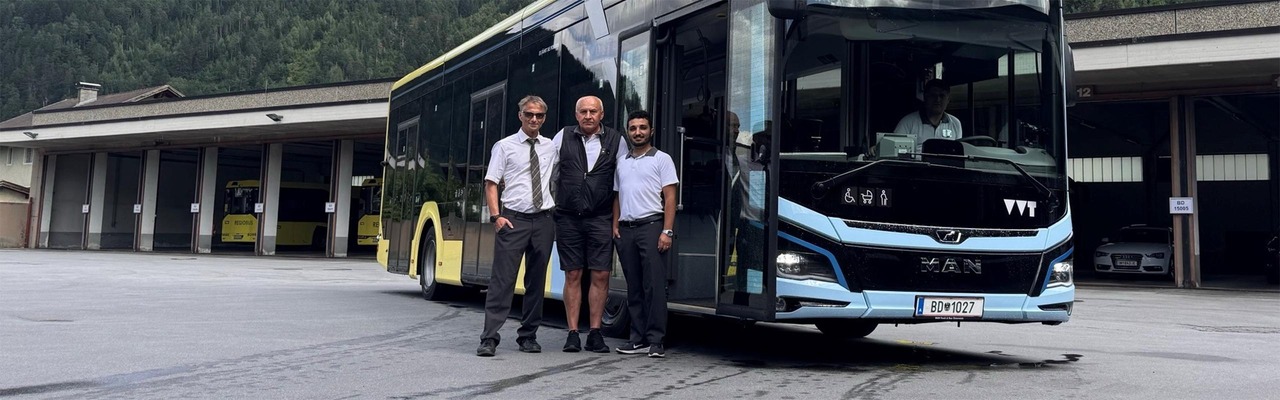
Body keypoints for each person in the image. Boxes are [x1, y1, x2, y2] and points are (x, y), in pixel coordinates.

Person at [475, 95, 557, 357]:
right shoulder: (504, 146)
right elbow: (491, 183)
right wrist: (496, 216)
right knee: (502, 280)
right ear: (520, 115)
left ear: (544, 118)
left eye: (540, 115)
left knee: (536, 281)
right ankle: (489, 338)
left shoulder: (550, 147)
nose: (534, 119)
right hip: (513, 219)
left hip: (543, 219)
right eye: (529, 114)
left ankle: (528, 336)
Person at [552, 95, 627, 353]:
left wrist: (616, 221)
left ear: (602, 114)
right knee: (572, 274)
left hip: (600, 218)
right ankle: (573, 332)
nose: (588, 116)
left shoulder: (617, 140)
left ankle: (595, 332)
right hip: (568, 218)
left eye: (592, 111)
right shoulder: (562, 137)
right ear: (576, 115)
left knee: (601, 274)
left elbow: (621, 184)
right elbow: (550, 174)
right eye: (583, 111)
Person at [612, 110, 678, 359]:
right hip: (626, 230)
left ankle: (656, 340)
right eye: (633, 128)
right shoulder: (622, 161)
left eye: (642, 127)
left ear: (651, 131)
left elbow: (670, 198)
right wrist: (615, 224)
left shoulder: (662, 159)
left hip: (652, 227)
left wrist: (667, 231)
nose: (637, 132)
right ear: (628, 132)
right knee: (634, 287)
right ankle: (636, 338)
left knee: (654, 287)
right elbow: (617, 195)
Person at [892, 79, 963, 153]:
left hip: (946, 164)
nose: (937, 99)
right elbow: (894, 152)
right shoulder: (907, 122)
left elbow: (958, 153)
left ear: (948, 99)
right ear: (925, 97)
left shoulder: (955, 123)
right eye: (933, 95)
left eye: (942, 96)